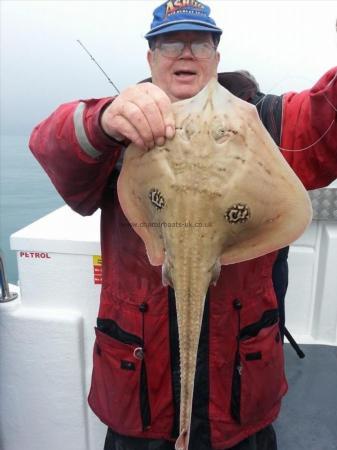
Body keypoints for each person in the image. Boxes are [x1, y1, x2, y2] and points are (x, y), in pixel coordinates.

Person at [29, 1, 337, 449]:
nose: (186, 52)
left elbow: (324, 125)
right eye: (171, 42)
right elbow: (50, 145)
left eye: (201, 42)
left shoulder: (261, 120)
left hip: (238, 393)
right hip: (140, 397)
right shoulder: (119, 129)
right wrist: (103, 121)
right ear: (151, 58)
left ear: (216, 56)